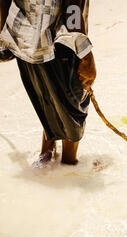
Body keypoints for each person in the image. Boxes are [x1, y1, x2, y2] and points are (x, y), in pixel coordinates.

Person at [0, 0, 96, 166]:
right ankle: (68, 166)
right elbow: (72, 8)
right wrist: (85, 54)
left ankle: (46, 155)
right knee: (73, 111)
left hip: (23, 42)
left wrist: (4, 36)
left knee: (47, 99)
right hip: (59, 44)